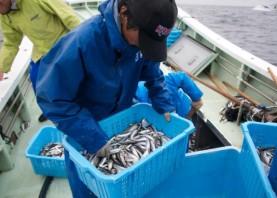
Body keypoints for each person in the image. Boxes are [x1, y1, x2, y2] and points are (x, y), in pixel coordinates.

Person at [35, 0, 177, 196]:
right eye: (144, 39)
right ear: (124, 13)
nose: (145, 47)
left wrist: (163, 103)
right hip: (83, 129)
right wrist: (92, 137)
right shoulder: (81, 42)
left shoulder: (139, 43)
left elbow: (153, 72)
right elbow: (52, 98)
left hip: (121, 122)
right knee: (87, 190)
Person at [0, 0, 81, 122]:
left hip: (64, 43)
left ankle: (77, 105)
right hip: (41, 50)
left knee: (72, 77)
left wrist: (83, 43)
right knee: (36, 79)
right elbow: (11, 42)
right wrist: (1, 67)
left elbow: (70, 18)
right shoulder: (4, 13)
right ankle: (51, 110)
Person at [136, 71, 204, 119]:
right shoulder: (136, 99)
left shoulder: (161, 85)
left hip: (183, 112)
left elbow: (182, 77)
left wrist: (197, 99)